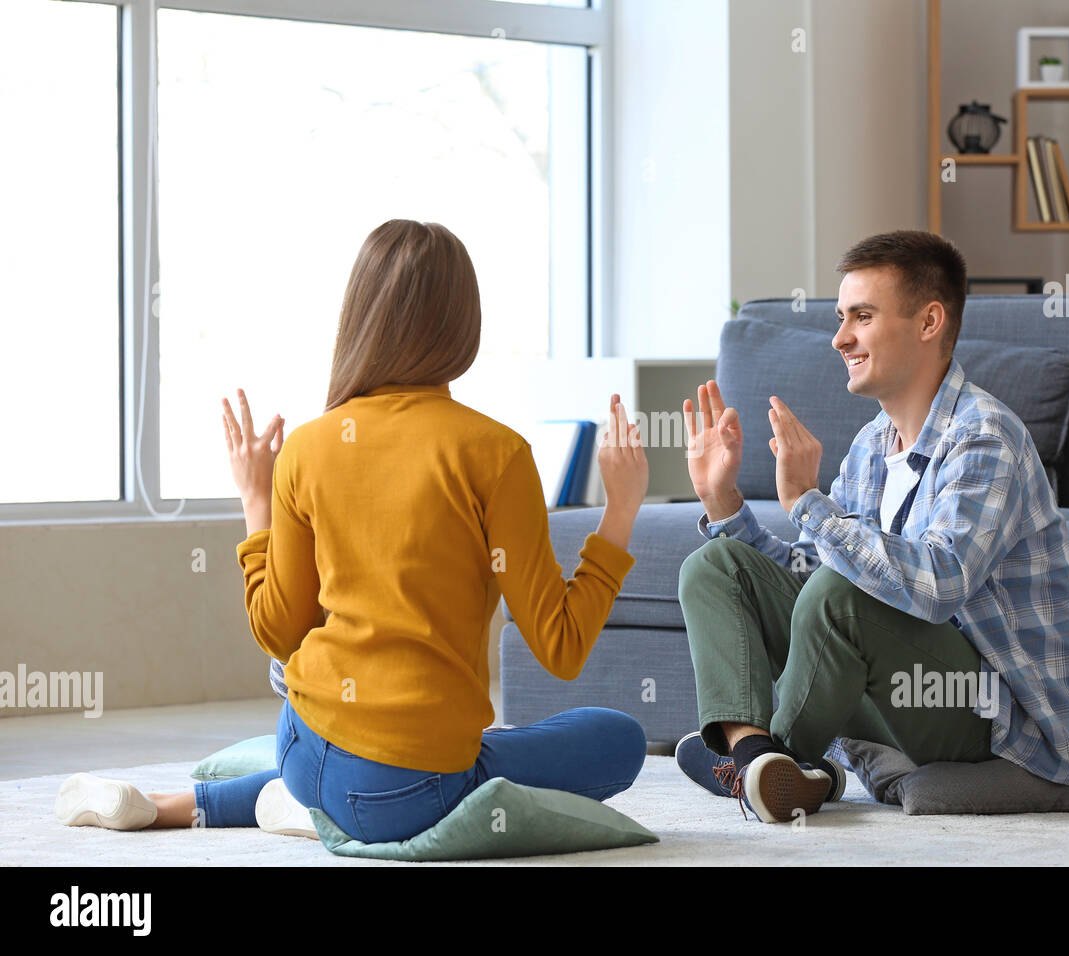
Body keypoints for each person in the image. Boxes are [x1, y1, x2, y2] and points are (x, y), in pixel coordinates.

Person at [55, 219, 650, 841]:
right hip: (415, 782)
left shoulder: (309, 448)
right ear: (464, 321)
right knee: (616, 739)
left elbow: (281, 633)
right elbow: (560, 645)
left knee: (355, 752)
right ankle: (346, 807)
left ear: (360, 315)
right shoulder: (497, 454)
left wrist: (256, 498)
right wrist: (620, 511)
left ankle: (190, 804)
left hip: (303, 744)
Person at [674, 229, 1069, 823]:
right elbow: (805, 581)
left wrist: (807, 501)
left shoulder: (984, 438)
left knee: (840, 594)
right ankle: (756, 756)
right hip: (895, 698)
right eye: (841, 317)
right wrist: (722, 503)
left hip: (990, 716)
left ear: (928, 322)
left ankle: (774, 767)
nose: (839, 337)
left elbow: (939, 585)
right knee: (714, 566)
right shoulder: (871, 447)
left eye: (862, 317)